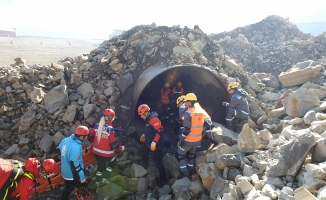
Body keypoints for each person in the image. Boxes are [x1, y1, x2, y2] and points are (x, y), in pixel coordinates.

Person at [88, 108, 124, 179]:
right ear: (111, 118)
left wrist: (94, 143)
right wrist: (121, 148)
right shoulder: (110, 129)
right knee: (113, 162)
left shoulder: (97, 126)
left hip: (95, 151)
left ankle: (98, 181)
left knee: (101, 166)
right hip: (106, 153)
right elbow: (113, 144)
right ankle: (105, 178)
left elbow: (89, 136)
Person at [176, 93, 205, 178]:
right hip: (197, 140)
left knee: (180, 155)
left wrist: (180, 140)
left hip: (189, 140)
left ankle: (185, 175)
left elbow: (186, 130)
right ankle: (191, 171)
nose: (185, 103)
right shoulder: (201, 111)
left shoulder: (188, 113)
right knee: (191, 156)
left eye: (186, 102)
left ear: (189, 102)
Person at [57, 126, 89, 200]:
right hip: (71, 174)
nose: (85, 139)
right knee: (77, 187)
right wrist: (82, 178)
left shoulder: (66, 140)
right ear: (81, 136)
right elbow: (75, 166)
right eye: (84, 137)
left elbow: (58, 150)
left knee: (68, 187)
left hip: (64, 169)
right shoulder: (76, 147)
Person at [137, 104, 167, 182]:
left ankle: (163, 180)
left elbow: (160, 131)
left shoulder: (154, 119)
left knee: (158, 162)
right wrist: (145, 135)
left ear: (146, 113)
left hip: (156, 145)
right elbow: (149, 129)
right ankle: (145, 162)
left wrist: (154, 142)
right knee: (143, 150)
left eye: (141, 115)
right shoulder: (148, 119)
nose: (141, 117)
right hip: (148, 143)